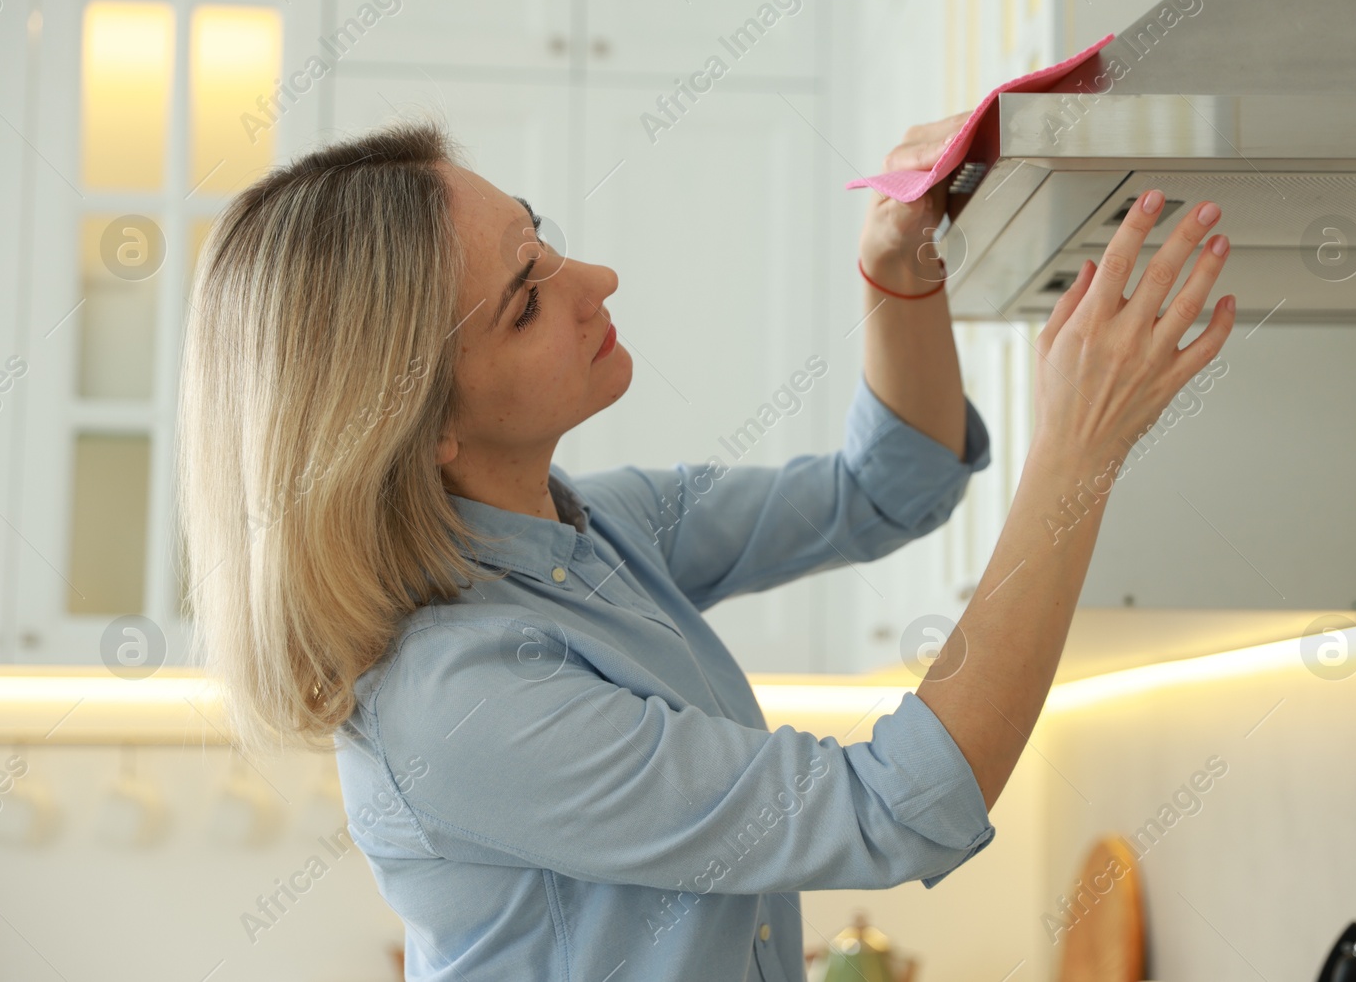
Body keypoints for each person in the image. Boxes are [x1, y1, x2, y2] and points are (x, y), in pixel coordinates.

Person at [175, 114, 1234, 980]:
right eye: (529, 296)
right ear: (419, 424)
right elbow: (892, 808)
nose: (598, 276)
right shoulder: (457, 701)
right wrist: (1079, 453)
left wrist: (897, 272)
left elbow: (887, 486)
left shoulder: (588, 531)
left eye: (539, 236)